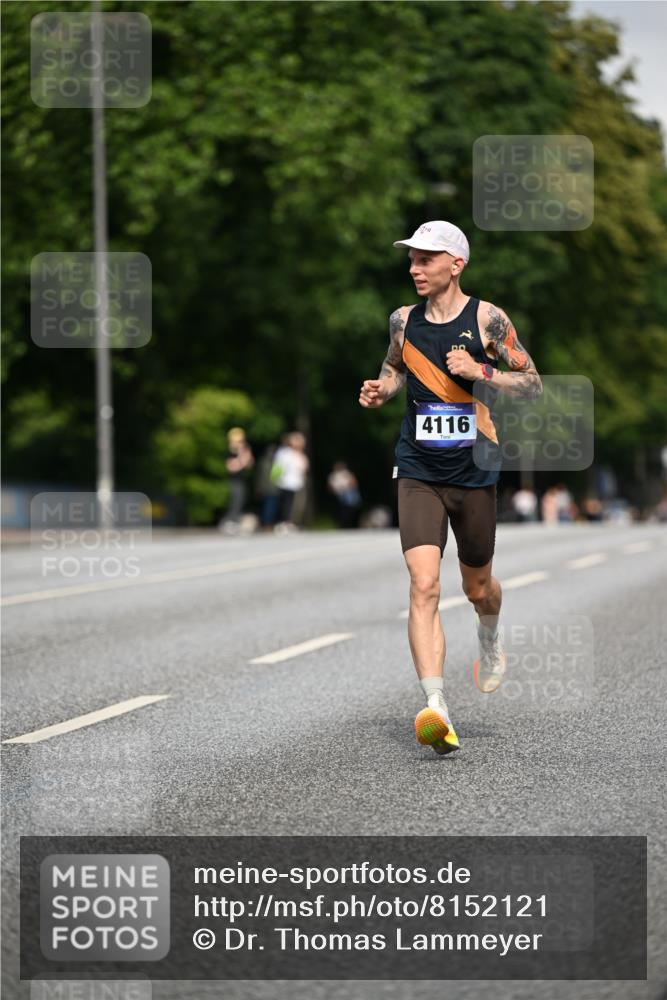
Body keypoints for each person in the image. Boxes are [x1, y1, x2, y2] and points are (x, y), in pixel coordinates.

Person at [359, 220, 542, 756]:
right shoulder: (401, 320)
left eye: (425, 259)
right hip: (417, 467)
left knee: (478, 586)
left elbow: (531, 384)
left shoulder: (488, 318)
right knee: (423, 585)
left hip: (475, 469)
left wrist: (480, 370)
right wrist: (380, 390)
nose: (414, 268)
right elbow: (393, 369)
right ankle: (435, 705)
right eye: (411, 259)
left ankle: (489, 633)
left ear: (455, 264)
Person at [271, 431, 309, 533]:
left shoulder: (299, 454)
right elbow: (278, 467)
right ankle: (283, 523)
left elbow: (304, 467)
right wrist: (276, 478)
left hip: (296, 483)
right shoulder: (285, 452)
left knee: (294, 505)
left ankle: (290, 522)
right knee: (286, 504)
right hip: (285, 482)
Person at [219, 428, 254, 534]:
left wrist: (245, 453)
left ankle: (234, 521)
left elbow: (249, 464)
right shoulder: (230, 452)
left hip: (241, 480)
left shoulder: (243, 451)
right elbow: (232, 467)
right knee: (235, 501)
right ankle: (228, 522)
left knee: (241, 500)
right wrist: (241, 457)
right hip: (233, 480)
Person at [327, 461, 362, 528]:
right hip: (338, 494)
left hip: (347, 493)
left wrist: (347, 487)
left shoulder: (346, 473)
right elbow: (330, 486)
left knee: (350, 509)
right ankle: (343, 524)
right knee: (342, 510)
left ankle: (350, 524)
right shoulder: (333, 475)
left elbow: (353, 482)